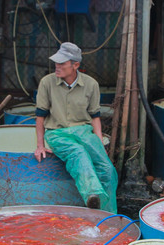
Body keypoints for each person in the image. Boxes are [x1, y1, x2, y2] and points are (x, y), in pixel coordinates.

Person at [34, 42, 117, 212]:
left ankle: (108, 215)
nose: (57, 66)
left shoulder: (91, 84)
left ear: (75, 65)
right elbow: (40, 116)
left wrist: (99, 142)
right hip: (57, 133)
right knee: (79, 154)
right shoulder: (47, 82)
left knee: (107, 169)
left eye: (62, 63)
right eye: (56, 62)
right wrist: (40, 146)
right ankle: (92, 197)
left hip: (84, 132)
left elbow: (95, 117)